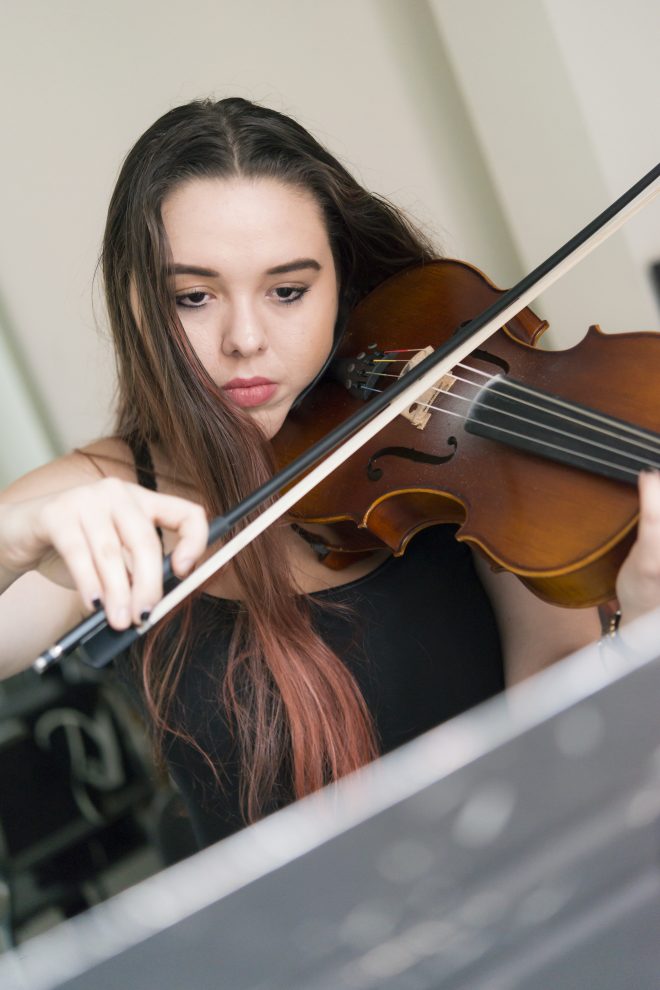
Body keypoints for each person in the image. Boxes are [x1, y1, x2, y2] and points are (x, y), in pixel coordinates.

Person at [1, 98, 659, 847]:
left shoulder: (458, 457)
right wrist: (15, 537)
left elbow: (560, 738)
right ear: (133, 299)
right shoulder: (104, 499)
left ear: (342, 284)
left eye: (288, 291)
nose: (246, 340)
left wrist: (639, 632)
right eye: (192, 297)